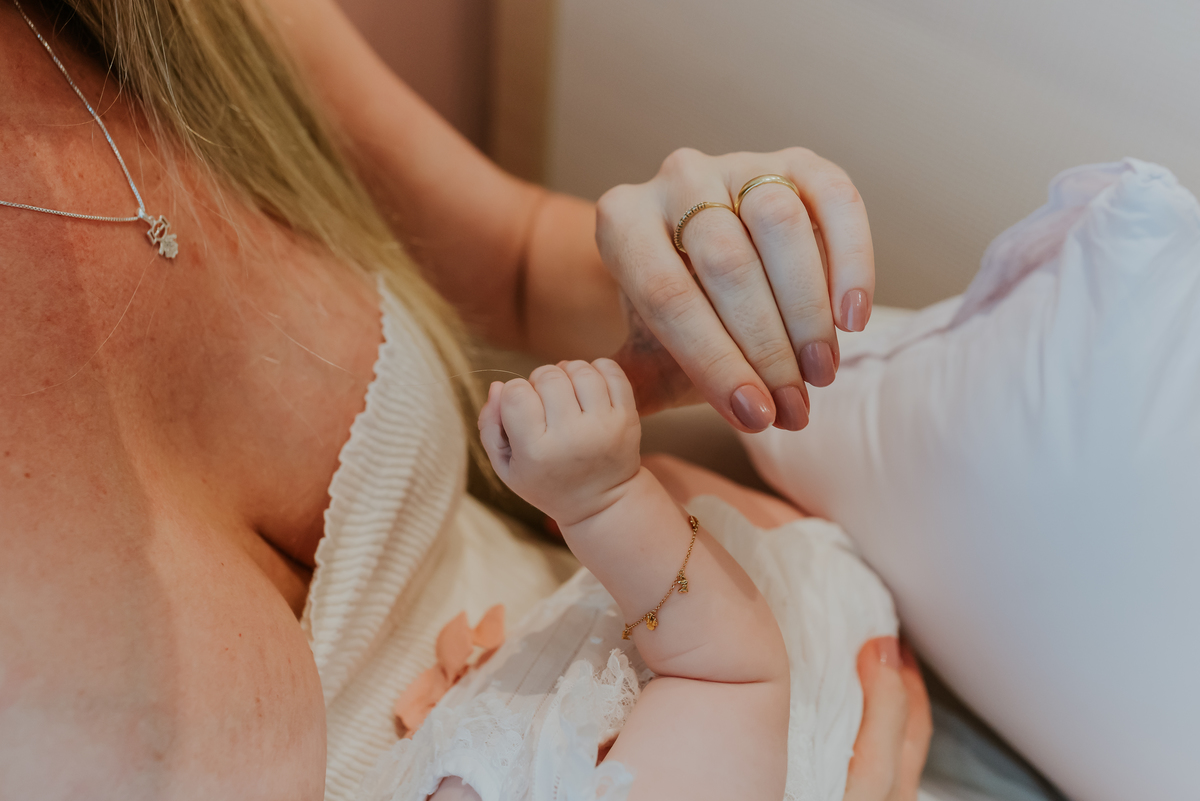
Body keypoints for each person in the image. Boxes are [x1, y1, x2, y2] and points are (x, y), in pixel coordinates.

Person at [0, 0, 928, 799]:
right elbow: (732, 679)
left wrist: (691, 274)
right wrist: (603, 502)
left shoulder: (161, 24)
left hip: (685, 622)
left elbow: (514, 260)